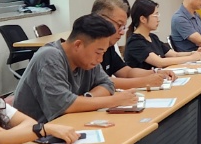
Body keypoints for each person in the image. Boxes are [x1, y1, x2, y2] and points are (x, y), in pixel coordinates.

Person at [10, 13, 140, 123]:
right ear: (78, 45)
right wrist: (113, 101)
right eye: (98, 52)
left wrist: (87, 98)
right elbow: (64, 104)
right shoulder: (49, 57)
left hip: (68, 125)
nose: (100, 59)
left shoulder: (86, 60)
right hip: (35, 134)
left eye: (103, 53)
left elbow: (107, 84)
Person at [91, 0, 174, 89]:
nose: (122, 32)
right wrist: (145, 81)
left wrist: (156, 72)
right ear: (101, 19)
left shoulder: (109, 46)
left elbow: (126, 72)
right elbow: (102, 81)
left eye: (124, 27)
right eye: (119, 25)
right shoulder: (89, 46)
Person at [126, 0, 201, 69]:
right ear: (143, 19)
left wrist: (193, 53)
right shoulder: (135, 42)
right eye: (155, 15)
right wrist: (191, 58)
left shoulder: (153, 37)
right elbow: (159, 62)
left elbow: (174, 54)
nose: (158, 19)